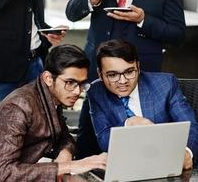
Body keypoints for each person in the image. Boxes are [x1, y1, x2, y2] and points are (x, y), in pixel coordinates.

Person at [65, 0, 186, 159]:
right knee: (88, 136)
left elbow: (177, 34)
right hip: (98, 75)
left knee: (141, 141)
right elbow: (71, 12)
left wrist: (143, 20)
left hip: (138, 76)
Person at [0, 45, 107, 182]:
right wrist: (66, 166)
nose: (78, 91)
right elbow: (5, 173)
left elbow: (64, 136)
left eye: (81, 83)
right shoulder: (18, 107)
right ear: (48, 78)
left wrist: (65, 153)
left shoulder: (52, 95)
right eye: (70, 82)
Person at [83, 39, 198, 169]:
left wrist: (187, 153)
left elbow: (190, 125)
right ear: (100, 74)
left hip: (168, 162)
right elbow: (103, 140)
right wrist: (128, 124)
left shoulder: (166, 84)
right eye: (113, 75)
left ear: (138, 67)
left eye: (129, 72)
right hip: (127, 166)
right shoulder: (96, 92)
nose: (123, 81)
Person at [0, 0, 68, 117]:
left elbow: (30, 12)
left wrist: (46, 34)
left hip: (35, 63)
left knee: (38, 130)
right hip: (0, 66)